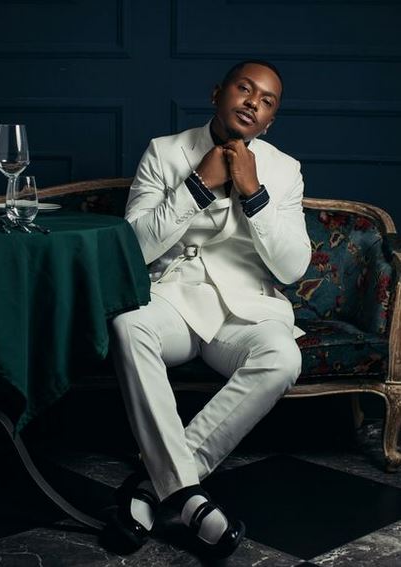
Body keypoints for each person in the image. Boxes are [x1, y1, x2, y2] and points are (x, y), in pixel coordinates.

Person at [109, 59, 311, 558]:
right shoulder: (164, 152)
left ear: (270, 121)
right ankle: (187, 497)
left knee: (283, 358)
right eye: (245, 89)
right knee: (128, 325)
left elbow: (291, 268)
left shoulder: (285, 170)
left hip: (245, 311)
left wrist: (255, 193)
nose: (253, 102)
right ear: (218, 93)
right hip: (175, 300)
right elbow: (132, 249)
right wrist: (197, 186)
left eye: (266, 101)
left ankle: (159, 486)